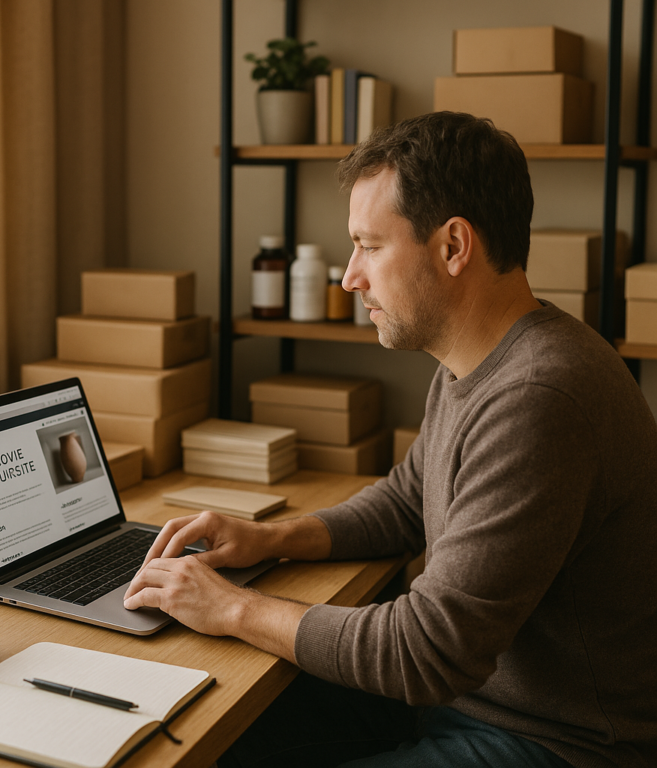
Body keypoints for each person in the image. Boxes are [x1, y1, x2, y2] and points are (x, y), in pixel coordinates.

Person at [123, 112, 657, 767]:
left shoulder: (540, 397)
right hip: (468, 702)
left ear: (454, 246)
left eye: (369, 246)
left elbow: (426, 652)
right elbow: (410, 500)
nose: (350, 277)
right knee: (209, 733)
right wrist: (270, 537)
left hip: (551, 740)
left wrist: (235, 609)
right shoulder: (476, 358)